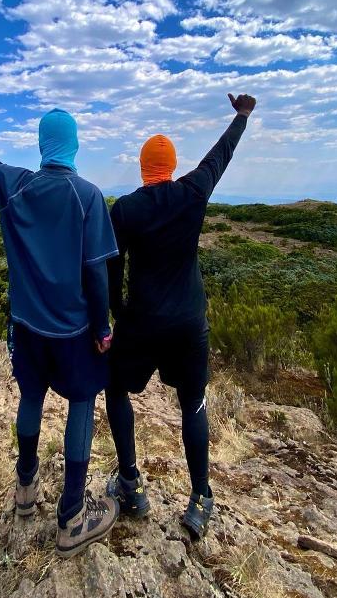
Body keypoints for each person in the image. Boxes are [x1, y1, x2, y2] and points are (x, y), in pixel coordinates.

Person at [0, 83, 120, 558]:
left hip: (26, 328)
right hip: (73, 333)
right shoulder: (88, 197)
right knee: (79, 405)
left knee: (30, 397)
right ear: (73, 145)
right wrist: (103, 328)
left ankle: (26, 489)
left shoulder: (15, 184)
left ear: (41, 144)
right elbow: (96, 274)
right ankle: (73, 515)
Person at [104, 91, 256, 538]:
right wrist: (242, 116)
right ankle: (200, 499)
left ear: (142, 167)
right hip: (189, 323)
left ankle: (130, 484)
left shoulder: (126, 209)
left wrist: (117, 315)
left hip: (142, 322)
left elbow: (113, 268)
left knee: (115, 389)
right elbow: (219, 157)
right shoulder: (191, 193)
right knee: (192, 404)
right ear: (170, 167)